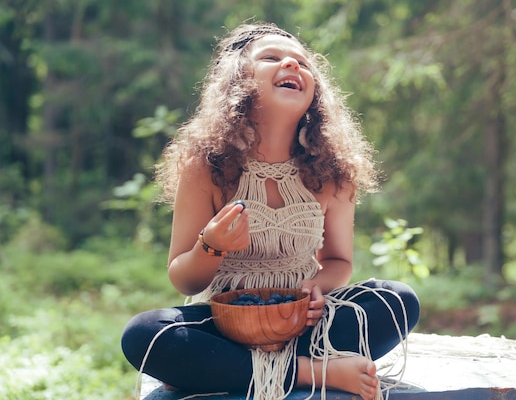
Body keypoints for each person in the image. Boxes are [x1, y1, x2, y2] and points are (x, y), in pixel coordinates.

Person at [121, 22, 420, 400]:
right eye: (272, 58)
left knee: (397, 299)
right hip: (224, 325)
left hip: (302, 326)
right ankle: (310, 372)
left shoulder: (334, 171)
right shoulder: (205, 164)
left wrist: (317, 288)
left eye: (302, 62)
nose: (292, 65)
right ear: (238, 81)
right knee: (145, 334)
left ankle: (224, 371)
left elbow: (339, 261)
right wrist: (211, 246)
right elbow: (184, 280)